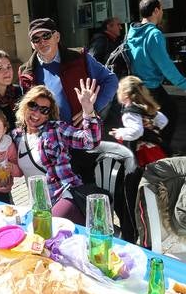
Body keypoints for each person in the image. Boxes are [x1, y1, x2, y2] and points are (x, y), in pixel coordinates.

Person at [19, 17, 117, 184]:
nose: (42, 42)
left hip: (80, 140)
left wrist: (91, 109)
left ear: (57, 36)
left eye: (46, 36)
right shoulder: (27, 72)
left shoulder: (79, 58)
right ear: (31, 44)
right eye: (36, 38)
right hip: (50, 148)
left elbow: (111, 80)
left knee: (86, 191)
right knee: (56, 197)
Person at [14, 81, 102, 224]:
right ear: (25, 105)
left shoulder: (56, 129)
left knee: (49, 228)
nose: (37, 113)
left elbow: (90, 141)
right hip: (39, 203)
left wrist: (88, 111)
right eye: (33, 105)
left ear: (49, 115)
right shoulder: (16, 136)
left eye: (44, 110)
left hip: (65, 195)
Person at [126, 0, 186, 146]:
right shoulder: (154, 34)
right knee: (169, 113)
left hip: (136, 85)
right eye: (162, 9)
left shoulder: (132, 32)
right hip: (150, 87)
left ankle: (146, 150)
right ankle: (161, 150)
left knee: (147, 118)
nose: (162, 12)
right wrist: (185, 86)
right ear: (156, 11)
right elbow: (165, 65)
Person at [110, 76, 169, 243]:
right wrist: (152, 129)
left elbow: (136, 132)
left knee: (133, 190)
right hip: (156, 152)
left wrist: (120, 133)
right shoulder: (146, 107)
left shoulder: (129, 111)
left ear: (125, 94)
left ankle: (137, 230)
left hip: (141, 156)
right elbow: (163, 121)